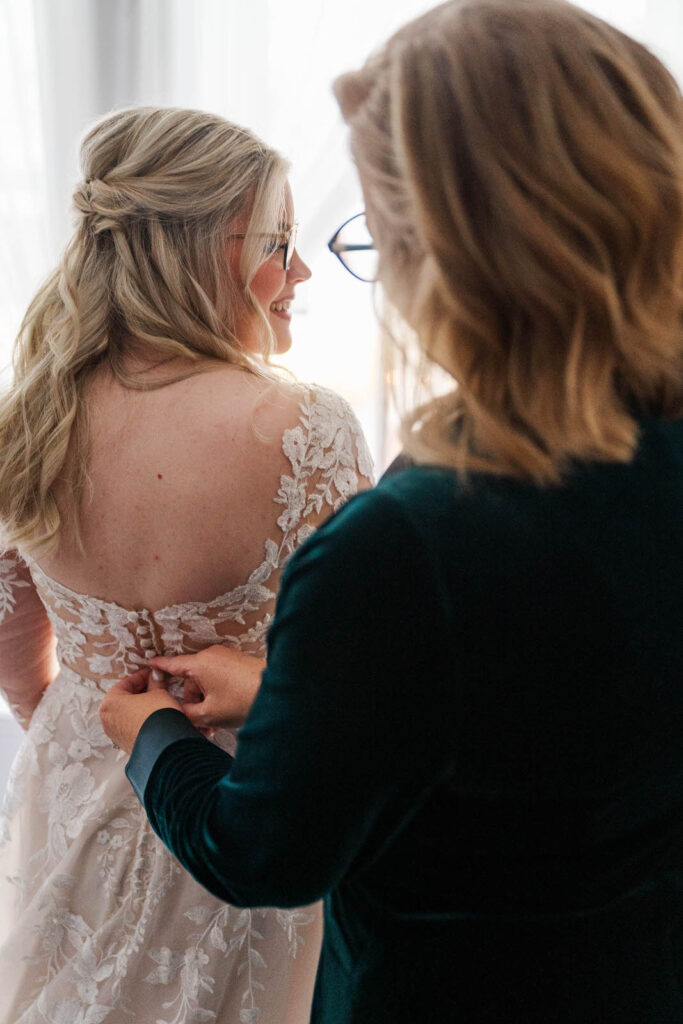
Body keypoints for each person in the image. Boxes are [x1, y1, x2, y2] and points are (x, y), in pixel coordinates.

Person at [101, 3, 683, 1022]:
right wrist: (298, 686)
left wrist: (150, 734)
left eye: (373, 234)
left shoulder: (404, 544)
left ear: (459, 247)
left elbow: (260, 848)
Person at [0, 106, 373, 1024]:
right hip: (249, 806)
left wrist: (73, 724)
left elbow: (13, 635)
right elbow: (364, 666)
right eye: (277, 243)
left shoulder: (29, 418)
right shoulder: (304, 430)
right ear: (198, 247)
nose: (301, 271)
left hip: (83, 775)